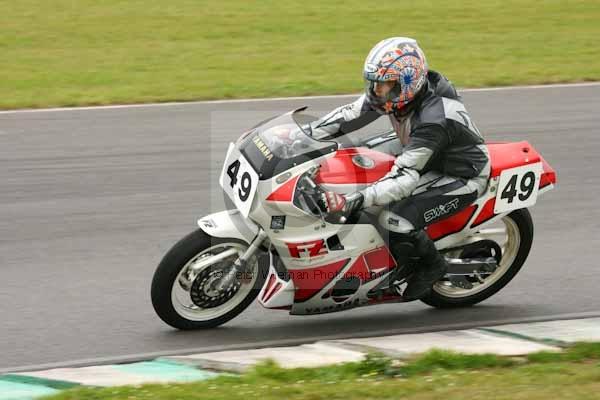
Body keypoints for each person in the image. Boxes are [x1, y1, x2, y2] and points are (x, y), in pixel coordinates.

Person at [313, 37, 490, 301]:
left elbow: (404, 179)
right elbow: (348, 115)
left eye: (384, 85)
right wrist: (303, 135)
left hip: (459, 173)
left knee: (393, 218)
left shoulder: (432, 120)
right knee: (355, 155)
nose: (377, 91)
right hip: (423, 148)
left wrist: (355, 200)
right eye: (374, 83)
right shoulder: (399, 95)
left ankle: (432, 265)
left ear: (407, 84)